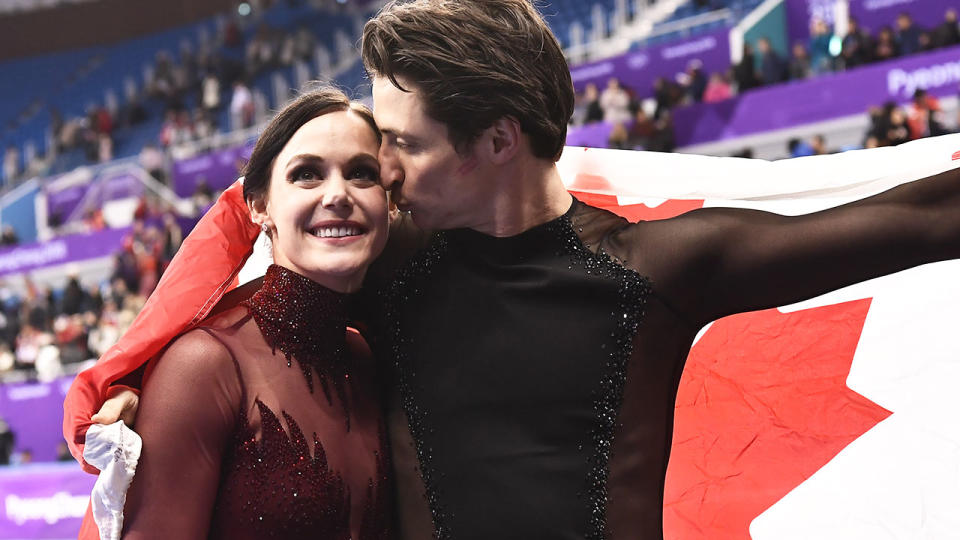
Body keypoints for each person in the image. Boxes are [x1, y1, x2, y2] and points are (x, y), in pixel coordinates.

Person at [70, 1, 960, 538]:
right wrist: (124, 377)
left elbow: (915, 218)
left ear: (497, 141)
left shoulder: (658, 268)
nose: (376, 173)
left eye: (400, 146)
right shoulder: (386, 264)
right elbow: (255, 222)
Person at [119, 87, 394, 539]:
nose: (339, 195)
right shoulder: (204, 365)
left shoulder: (364, 355)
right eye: (307, 174)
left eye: (363, 173)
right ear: (260, 206)